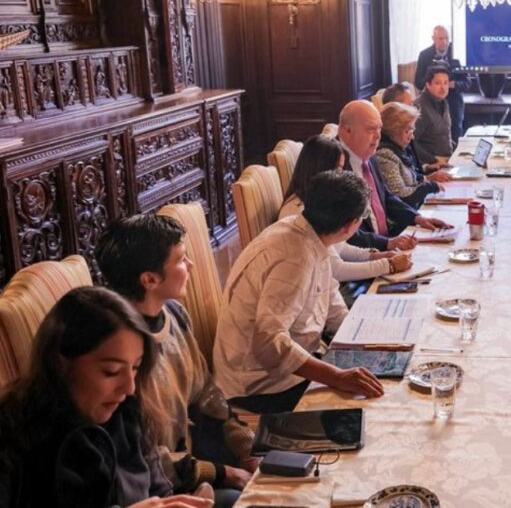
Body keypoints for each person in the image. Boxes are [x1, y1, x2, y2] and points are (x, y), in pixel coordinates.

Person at [0, 286, 213, 508]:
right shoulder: (14, 434)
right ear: (61, 363)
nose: (129, 388)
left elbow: (158, 491)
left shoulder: (127, 413)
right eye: (111, 371)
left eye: (135, 368)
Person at [95, 215, 255, 504]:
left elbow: (204, 392)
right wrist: (221, 473)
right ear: (149, 279)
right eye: (181, 259)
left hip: (191, 463)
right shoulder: (118, 348)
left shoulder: (175, 314)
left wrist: (244, 448)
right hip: (158, 486)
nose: (190, 266)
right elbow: (143, 458)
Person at [213, 170, 386, 413]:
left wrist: (362, 341)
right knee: (371, 406)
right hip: (260, 386)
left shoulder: (308, 232)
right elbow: (269, 344)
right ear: (350, 226)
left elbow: (331, 300)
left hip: (291, 363)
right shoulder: (294, 257)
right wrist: (336, 376)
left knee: (383, 372)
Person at [279, 135, 413, 279]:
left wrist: (377, 256)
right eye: (338, 168)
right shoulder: (298, 209)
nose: (341, 175)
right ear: (321, 167)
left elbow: (340, 248)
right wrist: (388, 265)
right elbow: (336, 270)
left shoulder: (319, 200)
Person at [336, 100, 451, 251]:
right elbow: (343, 232)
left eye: (379, 128)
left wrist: (417, 218)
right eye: (371, 129)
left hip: (387, 240)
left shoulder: (368, 154)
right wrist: (387, 244)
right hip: (363, 255)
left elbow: (386, 197)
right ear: (346, 130)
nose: (378, 136)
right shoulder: (334, 164)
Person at [377, 102, 452, 209]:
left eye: (412, 130)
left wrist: (427, 178)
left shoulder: (398, 147)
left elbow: (409, 176)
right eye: (408, 130)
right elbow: (401, 196)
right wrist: (429, 186)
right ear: (393, 130)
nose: (412, 137)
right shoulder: (385, 154)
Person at [414, 26, 467, 141]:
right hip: (431, 103)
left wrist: (454, 84)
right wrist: (433, 84)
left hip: (453, 100)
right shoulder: (425, 55)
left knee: (456, 134)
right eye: (440, 38)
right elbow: (418, 82)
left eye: (447, 38)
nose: (445, 42)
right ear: (433, 39)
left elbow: (467, 82)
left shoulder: (458, 52)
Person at [413, 66, 455, 166]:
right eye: (437, 83)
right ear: (428, 84)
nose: (443, 87)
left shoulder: (443, 101)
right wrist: (433, 160)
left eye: (446, 83)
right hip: (433, 163)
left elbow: (444, 134)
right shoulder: (419, 107)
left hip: (448, 158)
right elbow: (411, 142)